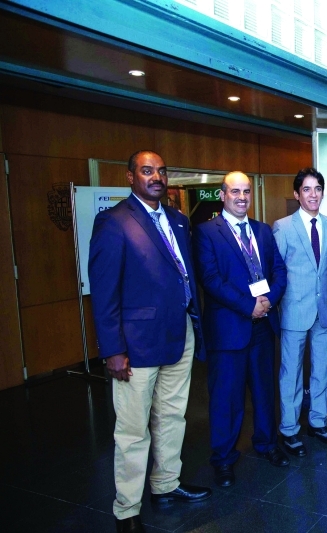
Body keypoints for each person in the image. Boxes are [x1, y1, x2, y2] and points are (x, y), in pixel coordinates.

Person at [89, 150, 210, 533]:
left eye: (161, 171)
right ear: (130, 177)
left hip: (179, 333)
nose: (156, 177)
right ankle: (127, 509)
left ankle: (166, 484)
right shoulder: (113, 222)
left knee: (172, 416)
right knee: (132, 429)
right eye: (146, 171)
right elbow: (104, 291)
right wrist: (112, 349)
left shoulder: (177, 219)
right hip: (136, 344)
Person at [193, 171, 289, 487]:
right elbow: (210, 280)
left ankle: (266, 443)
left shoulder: (262, 230)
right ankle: (223, 458)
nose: (242, 197)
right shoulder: (206, 232)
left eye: (246, 191)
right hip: (228, 330)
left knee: (264, 392)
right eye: (235, 191)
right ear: (222, 195)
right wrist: (249, 306)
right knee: (226, 398)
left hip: (263, 326)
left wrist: (269, 300)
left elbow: (279, 270)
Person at [273, 168, 327, 457]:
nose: (313, 195)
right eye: (307, 189)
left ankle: (318, 422)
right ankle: (289, 429)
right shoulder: (283, 227)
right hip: (294, 310)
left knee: (321, 369)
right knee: (291, 372)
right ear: (297, 194)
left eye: (318, 189)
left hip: (324, 309)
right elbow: (276, 269)